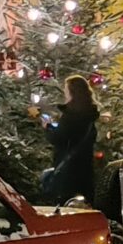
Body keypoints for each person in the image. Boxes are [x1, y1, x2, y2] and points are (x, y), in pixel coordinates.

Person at [41, 74, 99, 205]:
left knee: (67, 205)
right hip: (85, 169)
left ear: (73, 92)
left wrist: (48, 128)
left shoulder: (70, 115)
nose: (65, 93)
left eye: (66, 90)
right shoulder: (89, 114)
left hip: (68, 172)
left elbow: (59, 138)